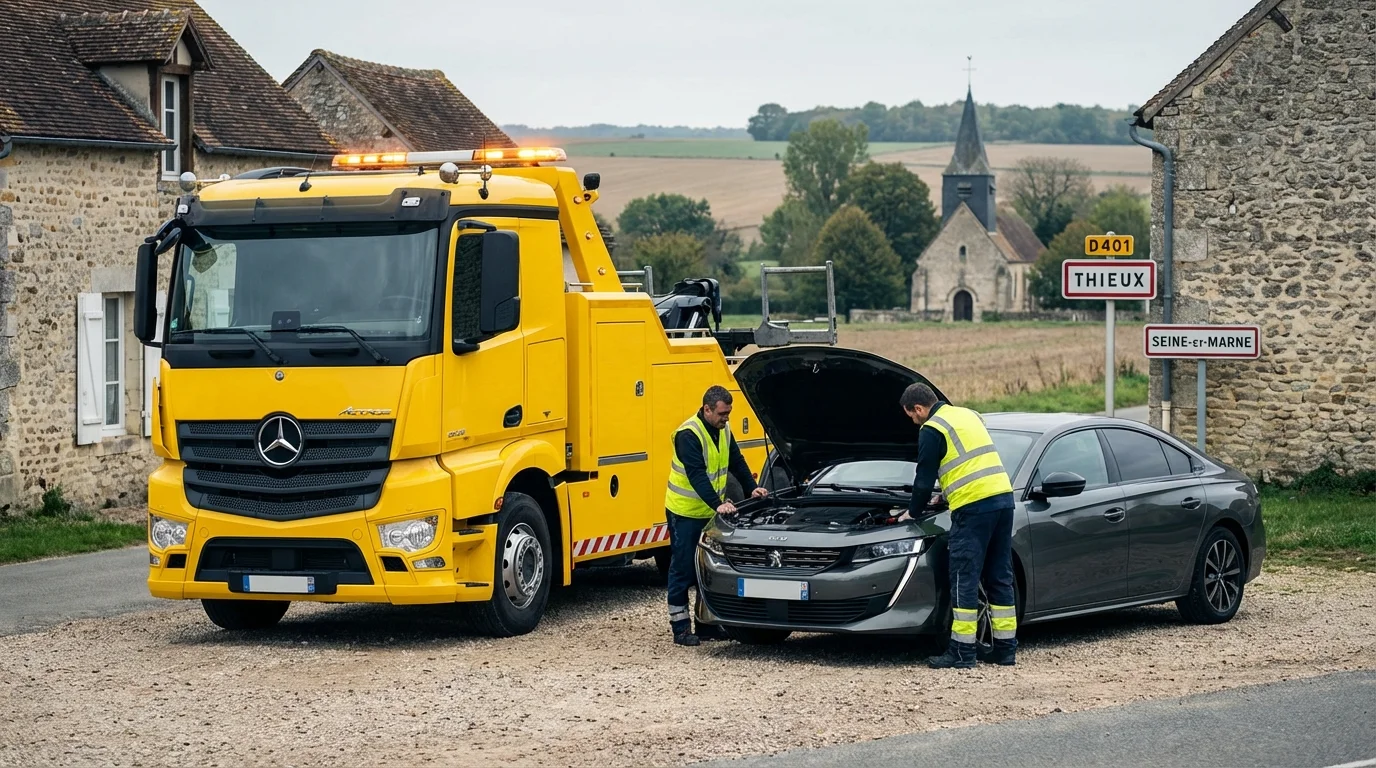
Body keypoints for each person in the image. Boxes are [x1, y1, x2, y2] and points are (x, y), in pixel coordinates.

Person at [899, 383, 1018, 668]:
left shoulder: (932, 428)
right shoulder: (968, 415)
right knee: (999, 575)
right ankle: (1005, 650)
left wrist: (912, 513)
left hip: (974, 507)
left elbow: (923, 478)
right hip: (1003, 499)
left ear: (918, 409)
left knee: (963, 575)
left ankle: (962, 652)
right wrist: (947, 493)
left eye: (912, 417)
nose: (914, 422)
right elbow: (968, 462)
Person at [664, 385, 769, 646]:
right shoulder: (688, 434)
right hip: (685, 512)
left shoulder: (724, 429)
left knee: (707, 567)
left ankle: (705, 625)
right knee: (682, 568)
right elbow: (697, 474)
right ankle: (680, 629)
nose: (726, 419)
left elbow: (736, 460)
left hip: (708, 513)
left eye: (729, 413)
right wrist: (718, 503)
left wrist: (750, 487)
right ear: (707, 409)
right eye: (722, 414)